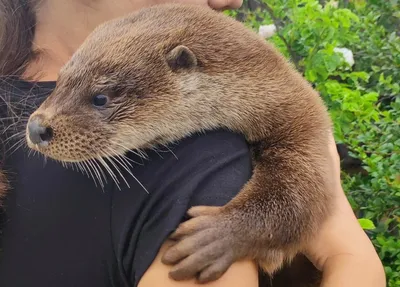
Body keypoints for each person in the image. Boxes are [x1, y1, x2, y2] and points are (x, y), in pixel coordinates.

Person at [0, 0, 385, 286]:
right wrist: (351, 257)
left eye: (99, 100)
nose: (230, 3)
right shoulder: (201, 165)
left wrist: (278, 214)